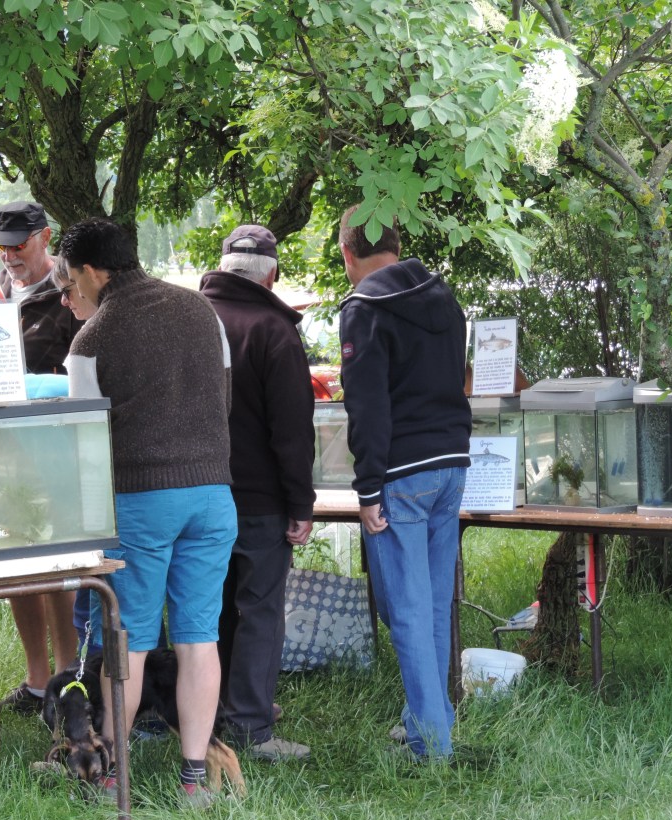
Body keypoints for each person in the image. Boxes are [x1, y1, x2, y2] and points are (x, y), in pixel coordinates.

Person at [58, 218, 236, 805]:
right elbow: (224, 399)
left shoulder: (91, 339)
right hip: (213, 494)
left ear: (91, 271)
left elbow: (85, 441)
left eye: (71, 279)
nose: (73, 289)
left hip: (140, 501)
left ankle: (113, 776)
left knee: (127, 643)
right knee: (199, 639)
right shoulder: (202, 311)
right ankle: (194, 780)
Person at [337, 204, 471, 761]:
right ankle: (429, 722)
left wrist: (367, 487)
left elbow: (366, 406)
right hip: (453, 464)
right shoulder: (444, 296)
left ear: (348, 252)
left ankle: (432, 747)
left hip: (401, 474)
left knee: (408, 612)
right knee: (433, 606)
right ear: (396, 242)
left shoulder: (363, 308)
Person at [199, 225, 316, 762]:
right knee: (259, 610)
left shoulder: (193, 319)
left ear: (223, 267)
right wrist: (300, 504)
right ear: (272, 276)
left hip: (195, 490)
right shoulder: (274, 329)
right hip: (258, 499)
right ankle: (250, 725)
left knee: (209, 609)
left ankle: (209, 710)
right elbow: (291, 431)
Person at [0, 201, 81, 715]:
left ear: (46, 237)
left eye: (18, 245)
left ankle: (68, 678)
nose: (9, 257)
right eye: (0, 248)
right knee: (17, 562)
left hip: (59, 453)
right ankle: (37, 678)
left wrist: (36, 387)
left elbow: (84, 376)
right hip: (4, 455)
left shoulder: (69, 290)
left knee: (58, 570)